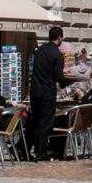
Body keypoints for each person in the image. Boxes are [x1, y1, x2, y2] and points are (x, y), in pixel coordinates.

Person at [30, 26, 74, 162]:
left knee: (36, 121)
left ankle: (37, 148)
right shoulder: (57, 55)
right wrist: (68, 82)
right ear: (60, 37)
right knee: (46, 123)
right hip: (47, 93)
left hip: (35, 91)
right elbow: (58, 78)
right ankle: (41, 151)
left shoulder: (40, 51)